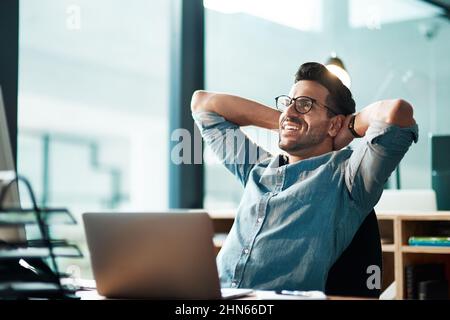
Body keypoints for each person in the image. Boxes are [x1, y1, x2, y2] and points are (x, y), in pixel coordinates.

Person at [191, 62, 418, 291]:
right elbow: (203, 104)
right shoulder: (257, 169)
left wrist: (347, 127)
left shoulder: (347, 179)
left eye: (305, 104)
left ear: (334, 123)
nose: (289, 111)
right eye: (288, 103)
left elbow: (397, 112)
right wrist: (287, 122)